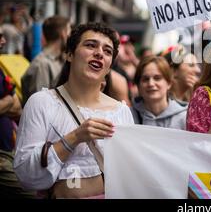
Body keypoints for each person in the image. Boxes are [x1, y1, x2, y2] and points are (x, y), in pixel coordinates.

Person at [13, 23, 134, 198]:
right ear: (69, 54)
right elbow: (26, 176)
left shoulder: (121, 112)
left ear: (109, 67)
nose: (99, 53)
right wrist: (74, 137)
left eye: (107, 51)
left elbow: (128, 176)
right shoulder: (41, 103)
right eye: (91, 45)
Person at [0, 27, 35, 198]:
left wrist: (7, 101)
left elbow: (16, 105)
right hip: (2, 158)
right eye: (0, 37)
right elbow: (11, 101)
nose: (4, 42)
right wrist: (7, 100)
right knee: (34, 192)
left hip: (10, 150)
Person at [21, 15, 71, 106]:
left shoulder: (58, 60)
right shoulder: (41, 64)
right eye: (69, 31)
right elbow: (39, 105)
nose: (71, 36)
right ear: (63, 34)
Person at [132, 55, 187, 129]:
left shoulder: (185, 118)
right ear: (138, 85)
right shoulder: (128, 116)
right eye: (145, 79)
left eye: (157, 78)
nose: (151, 84)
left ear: (169, 83)